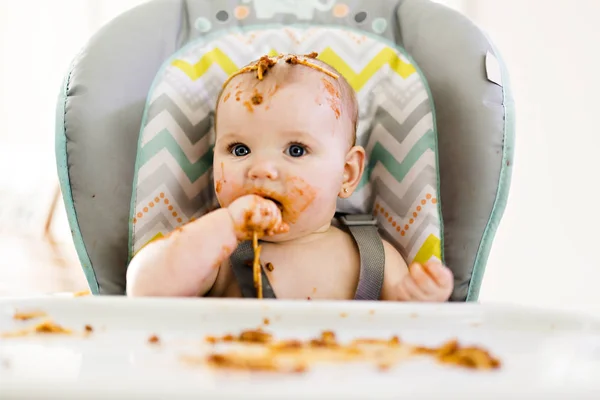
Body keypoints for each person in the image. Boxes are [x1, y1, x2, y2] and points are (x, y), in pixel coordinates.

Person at [126, 53, 454, 301]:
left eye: (296, 150)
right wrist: (225, 226)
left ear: (347, 172)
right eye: (239, 149)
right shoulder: (219, 252)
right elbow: (144, 289)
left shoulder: (374, 255)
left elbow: (405, 333)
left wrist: (417, 299)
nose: (261, 169)